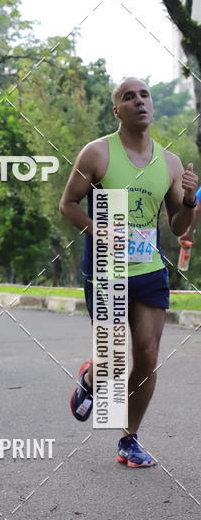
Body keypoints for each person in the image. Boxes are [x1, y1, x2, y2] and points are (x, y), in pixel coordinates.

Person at [60, 77, 198, 467]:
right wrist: (98, 230)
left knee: (148, 356)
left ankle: (128, 438)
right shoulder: (97, 153)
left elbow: (178, 226)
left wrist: (189, 200)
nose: (139, 101)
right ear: (116, 110)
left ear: (151, 105)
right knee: (113, 361)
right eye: (128, 96)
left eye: (144, 95)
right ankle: (91, 378)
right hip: (107, 271)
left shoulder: (169, 163)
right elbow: (68, 204)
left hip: (149, 269)